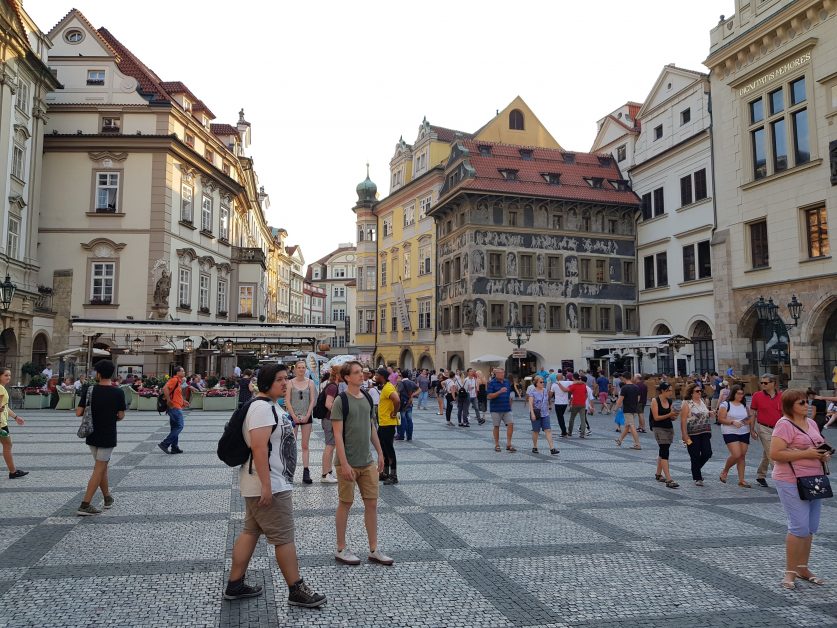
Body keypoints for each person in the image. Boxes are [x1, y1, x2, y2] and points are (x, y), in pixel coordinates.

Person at [224, 363, 326, 608]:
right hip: (268, 484)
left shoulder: (269, 406)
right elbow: (259, 449)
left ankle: (235, 584)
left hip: (267, 481)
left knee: (251, 531)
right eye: (280, 379)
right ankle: (296, 589)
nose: (285, 383)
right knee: (284, 537)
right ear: (267, 383)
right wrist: (267, 486)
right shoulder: (260, 409)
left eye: (286, 378)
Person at [331, 361, 393, 566]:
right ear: (347, 377)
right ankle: (341, 548)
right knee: (345, 504)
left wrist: (380, 452)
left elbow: (371, 427)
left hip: (366, 462)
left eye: (362, 372)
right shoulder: (341, 401)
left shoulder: (367, 396)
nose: (362, 375)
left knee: (372, 504)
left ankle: (374, 549)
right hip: (346, 463)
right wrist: (345, 464)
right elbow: (337, 435)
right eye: (357, 373)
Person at [770, 389, 831, 591]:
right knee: (798, 527)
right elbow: (776, 454)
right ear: (790, 406)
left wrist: (823, 455)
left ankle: (803, 568)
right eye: (801, 403)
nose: (807, 405)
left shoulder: (811, 423)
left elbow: (817, 445)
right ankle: (790, 572)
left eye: (807, 402)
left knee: (810, 527)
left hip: (814, 479)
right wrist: (806, 453)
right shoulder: (784, 425)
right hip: (791, 479)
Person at [75, 360, 125, 515]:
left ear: (98, 373)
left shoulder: (90, 389)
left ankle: (107, 497)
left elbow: (78, 412)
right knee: (99, 468)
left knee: (101, 466)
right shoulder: (118, 392)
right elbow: (121, 415)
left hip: (92, 433)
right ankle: (85, 504)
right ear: (112, 374)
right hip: (107, 434)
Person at [285, 360, 317, 485]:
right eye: (299, 367)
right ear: (295, 369)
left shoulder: (310, 382)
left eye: (303, 367)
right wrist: (293, 416)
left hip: (306, 416)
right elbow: (287, 400)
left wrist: (308, 415)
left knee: (305, 445)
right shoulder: (290, 383)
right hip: (292, 416)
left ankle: (306, 471)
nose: (301, 370)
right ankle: (289, 471)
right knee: (290, 445)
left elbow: (312, 400)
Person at [750, 373, 783, 488]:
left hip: (779, 429)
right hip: (763, 428)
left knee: (767, 453)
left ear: (773, 383)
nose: (762, 384)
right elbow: (753, 413)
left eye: (765, 383)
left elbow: (784, 414)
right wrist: (752, 429)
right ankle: (781, 479)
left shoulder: (781, 396)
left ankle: (760, 475)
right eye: (761, 382)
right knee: (772, 454)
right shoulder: (756, 396)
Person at [718, 385, 752, 488]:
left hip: (744, 431)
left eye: (742, 393)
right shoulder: (725, 404)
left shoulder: (744, 405)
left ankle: (741, 480)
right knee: (736, 454)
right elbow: (720, 419)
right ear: (733, 393)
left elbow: (749, 418)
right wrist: (732, 422)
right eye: (738, 393)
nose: (741, 396)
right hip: (729, 431)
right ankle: (725, 470)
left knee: (742, 456)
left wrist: (749, 425)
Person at [680, 383, 713, 486]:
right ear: (691, 393)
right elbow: (683, 420)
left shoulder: (702, 402)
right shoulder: (687, 403)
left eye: (700, 391)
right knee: (694, 455)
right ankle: (697, 477)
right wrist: (684, 435)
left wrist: (710, 413)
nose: (699, 393)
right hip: (692, 434)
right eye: (697, 391)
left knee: (708, 453)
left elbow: (704, 414)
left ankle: (695, 469)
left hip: (705, 432)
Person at [649, 382, 678, 488]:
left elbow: (671, 417)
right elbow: (656, 417)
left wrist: (674, 416)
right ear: (662, 391)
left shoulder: (670, 401)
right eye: (668, 390)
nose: (671, 392)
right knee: (665, 451)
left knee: (663, 450)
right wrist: (669, 414)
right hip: (658, 427)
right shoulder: (654, 401)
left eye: (671, 390)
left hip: (668, 428)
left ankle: (658, 474)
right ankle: (669, 479)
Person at [0, 367, 27, 479]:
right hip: (1, 423)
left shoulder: (2, 388)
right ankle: (13, 472)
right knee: (8, 445)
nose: (9, 377)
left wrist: (16, 417)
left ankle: (13, 471)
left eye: (10, 375)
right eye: (6, 375)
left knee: (7, 445)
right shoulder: (1, 389)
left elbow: (4, 407)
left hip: (2, 422)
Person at [375, 367, 400, 484]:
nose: (375, 377)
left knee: (389, 449)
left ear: (382, 376)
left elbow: (397, 400)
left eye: (377, 375)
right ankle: (385, 473)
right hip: (383, 423)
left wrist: (394, 413)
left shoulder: (388, 388)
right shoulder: (385, 387)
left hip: (388, 424)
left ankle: (393, 475)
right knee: (383, 449)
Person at [158, 366, 188, 454]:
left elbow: (175, 394)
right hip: (174, 407)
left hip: (176, 406)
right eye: (182, 371)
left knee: (175, 427)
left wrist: (183, 401)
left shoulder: (178, 382)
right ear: (177, 373)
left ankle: (174, 447)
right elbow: (165, 388)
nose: (184, 372)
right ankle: (165, 443)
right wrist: (168, 400)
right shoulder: (174, 380)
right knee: (179, 426)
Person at [486, 366, 516, 452]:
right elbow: (489, 396)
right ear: (496, 374)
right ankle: (497, 444)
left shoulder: (507, 382)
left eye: (503, 373)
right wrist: (499, 392)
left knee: (510, 424)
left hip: (507, 408)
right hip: (495, 408)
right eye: (500, 373)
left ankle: (509, 444)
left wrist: (510, 402)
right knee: (496, 426)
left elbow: (509, 393)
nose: (502, 374)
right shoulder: (492, 383)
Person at [319, 370, 340, 484]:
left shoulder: (331, 386)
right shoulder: (332, 387)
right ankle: (325, 474)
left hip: (328, 419)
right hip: (329, 419)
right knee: (330, 446)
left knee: (331, 446)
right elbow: (328, 404)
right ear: (337, 375)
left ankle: (328, 473)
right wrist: (338, 412)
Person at [528, 376, 558, 455]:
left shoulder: (545, 390)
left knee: (548, 430)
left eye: (543, 382)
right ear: (536, 383)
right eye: (541, 382)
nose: (543, 383)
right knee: (536, 431)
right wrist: (532, 414)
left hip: (545, 414)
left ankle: (552, 448)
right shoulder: (532, 391)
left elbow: (547, 399)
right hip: (536, 413)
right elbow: (530, 404)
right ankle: (535, 447)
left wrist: (549, 406)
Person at [615, 374, 642, 450]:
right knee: (627, 426)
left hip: (627, 409)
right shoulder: (636, 387)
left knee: (631, 426)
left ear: (624, 378)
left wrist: (616, 408)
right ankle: (619, 440)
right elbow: (638, 399)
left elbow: (620, 400)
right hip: (634, 409)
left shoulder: (624, 388)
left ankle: (637, 444)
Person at [563, 373, 588, 438]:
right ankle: (582, 434)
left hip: (575, 403)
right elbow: (586, 394)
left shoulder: (573, 385)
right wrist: (584, 400)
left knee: (572, 418)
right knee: (583, 419)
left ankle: (570, 432)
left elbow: (565, 390)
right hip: (582, 404)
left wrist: (559, 384)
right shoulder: (584, 385)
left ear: (573, 378)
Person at [396, 372, 418, 441]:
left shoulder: (400, 383)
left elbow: (398, 393)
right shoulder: (411, 382)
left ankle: (401, 435)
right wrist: (412, 395)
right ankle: (409, 436)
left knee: (401, 420)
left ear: (401, 376)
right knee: (409, 419)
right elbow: (419, 389)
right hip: (409, 403)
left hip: (402, 404)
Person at [550, 373, 569, 437]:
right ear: (562, 377)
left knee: (560, 417)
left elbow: (550, 394)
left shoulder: (554, 384)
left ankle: (564, 432)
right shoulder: (567, 383)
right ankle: (564, 431)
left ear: (556, 378)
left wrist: (548, 399)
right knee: (561, 416)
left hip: (558, 403)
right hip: (565, 403)